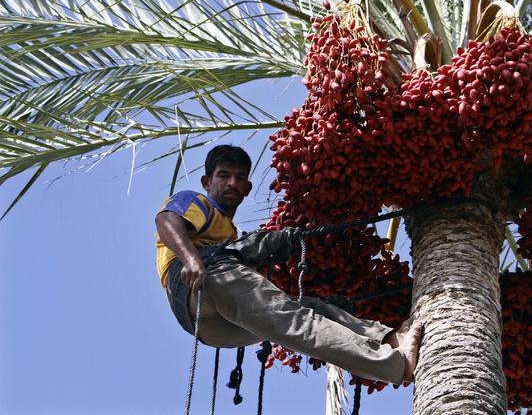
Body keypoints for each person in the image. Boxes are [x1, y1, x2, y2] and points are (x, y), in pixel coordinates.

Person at [155, 144, 421, 384]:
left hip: (209, 329)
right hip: (200, 283)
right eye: (223, 175)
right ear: (207, 181)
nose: (232, 183)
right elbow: (167, 220)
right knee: (297, 320)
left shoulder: (229, 233)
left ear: (247, 188)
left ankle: (389, 339)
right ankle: (395, 365)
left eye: (239, 178)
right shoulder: (199, 203)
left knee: (309, 310)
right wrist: (191, 259)